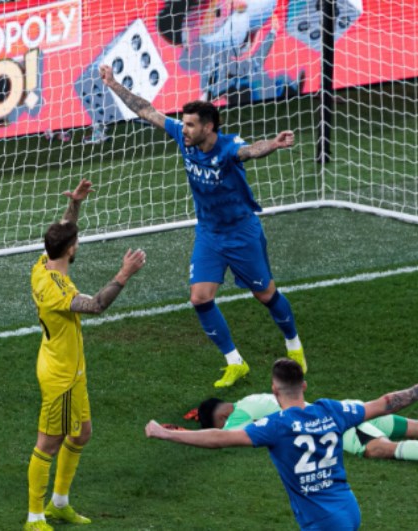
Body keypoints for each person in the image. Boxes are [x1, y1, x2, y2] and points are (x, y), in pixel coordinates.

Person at [100, 64, 303, 388]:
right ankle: (235, 362)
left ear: (209, 127)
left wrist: (274, 144)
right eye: (185, 123)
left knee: (265, 294)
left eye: (192, 125)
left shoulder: (227, 147)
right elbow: (145, 109)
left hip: (241, 231)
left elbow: (250, 150)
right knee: (199, 297)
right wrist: (113, 84)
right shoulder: (183, 137)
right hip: (209, 233)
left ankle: (294, 344)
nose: (185, 129)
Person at [146, 359, 418, 530]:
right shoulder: (332, 409)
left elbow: (220, 437)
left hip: (321, 520)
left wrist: (167, 434)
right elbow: (385, 403)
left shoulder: (276, 426)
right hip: (348, 508)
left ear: (275, 390)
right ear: (303, 386)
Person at [24, 178, 146, 531]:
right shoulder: (56, 290)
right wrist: (124, 273)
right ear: (71, 251)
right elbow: (95, 305)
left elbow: (62, 233)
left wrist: (75, 205)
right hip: (60, 374)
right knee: (48, 443)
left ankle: (59, 503)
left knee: (82, 433)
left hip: (71, 367)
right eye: (75, 242)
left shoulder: (42, 264)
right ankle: (34, 518)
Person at [193, 392, 418, 476]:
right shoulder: (254, 400)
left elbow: (226, 437)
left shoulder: (238, 414)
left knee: (379, 449)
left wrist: (176, 433)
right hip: (348, 408)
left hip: (334, 424)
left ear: (222, 415)